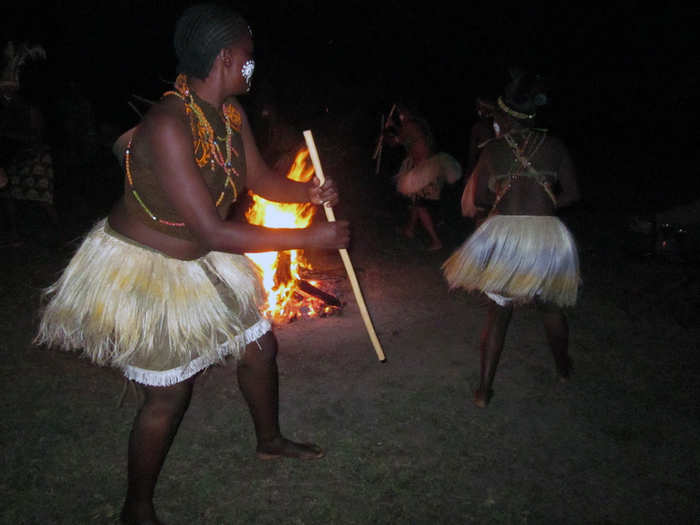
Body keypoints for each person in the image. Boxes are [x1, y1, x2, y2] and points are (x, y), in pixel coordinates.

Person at [34, 4, 349, 524]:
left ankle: (268, 440)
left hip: (201, 254)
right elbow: (213, 229)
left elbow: (260, 180)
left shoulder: (228, 114)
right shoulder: (167, 124)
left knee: (259, 346)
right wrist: (313, 234)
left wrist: (308, 192)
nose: (253, 66)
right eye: (248, 57)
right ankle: (137, 507)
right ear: (225, 58)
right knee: (168, 395)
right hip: (149, 263)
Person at [442, 69, 580, 408]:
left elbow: (481, 200)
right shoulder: (554, 145)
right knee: (551, 309)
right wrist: (543, 207)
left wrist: (508, 204)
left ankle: (483, 391)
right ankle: (563, 369)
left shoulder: (492, 150)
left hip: (505, 235)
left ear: (504, 116)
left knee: (498, 314)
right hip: (545, 234)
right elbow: (573, 194)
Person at [384, 104, 461, 251]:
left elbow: (394, 142)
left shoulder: (410, 125)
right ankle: (410, 229)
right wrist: (392, 128)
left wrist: (387, 131)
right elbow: (404, 139)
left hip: (426, 171)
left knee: (420, 206)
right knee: (417, 202)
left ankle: (436, 241)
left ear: (406, 112)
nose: (399, 115)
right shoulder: (418, 124)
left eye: (400, 113)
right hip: (427, 168)